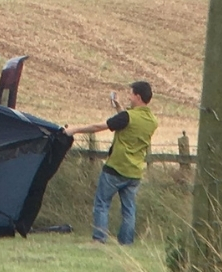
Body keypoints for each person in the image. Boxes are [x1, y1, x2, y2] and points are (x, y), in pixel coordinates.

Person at [63, 81, 158, 245]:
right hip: (135, 171)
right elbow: (128, 123)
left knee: (102, 203)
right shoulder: (152, 120)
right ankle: (126, 242)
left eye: (131, 94)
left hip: (116, 168)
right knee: (129, 209)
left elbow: (99, 126)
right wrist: (118, 107)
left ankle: (99, 239)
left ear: (138, 96)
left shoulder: (128, 116)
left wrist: (75, 129)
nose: (129, 96)